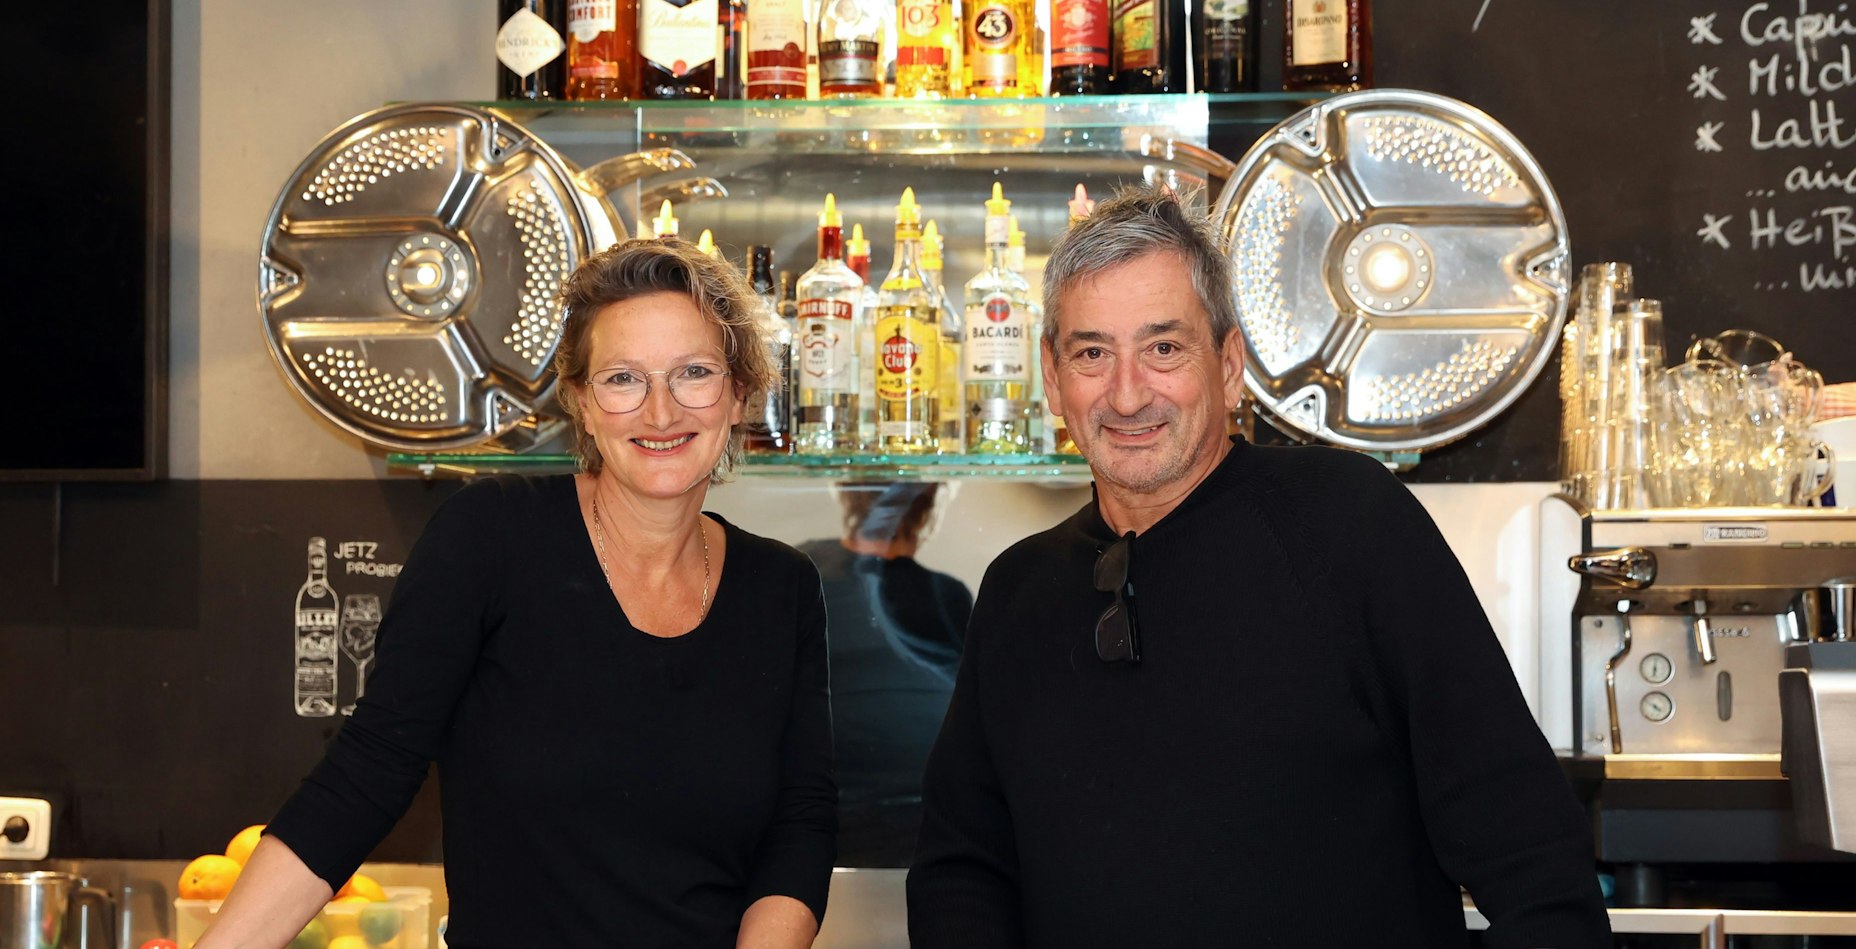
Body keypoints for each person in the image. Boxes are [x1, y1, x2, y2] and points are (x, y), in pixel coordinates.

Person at [906, 186, 1610, 948]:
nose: (1128, 391)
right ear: (1052, 377)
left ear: (1230, 364)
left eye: (1164, 347)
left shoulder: (1349, 525)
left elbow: (1531, 852)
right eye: (1091, 353)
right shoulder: (1019, 591)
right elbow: (961, 866)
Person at [200, 238, 836, 949]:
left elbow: (799, 824)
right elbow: (367, 771)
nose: (661, 411)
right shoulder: (492, 539)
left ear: (739, 394)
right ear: (581, 405)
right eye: (624, 378)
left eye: (694, 372)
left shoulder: (781, 589)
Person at [799, 483, 972, 866]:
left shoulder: (804, 568)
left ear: (845, 495)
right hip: (914, 827)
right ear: (928, 511)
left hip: (834, 825)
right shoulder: (947, 595)